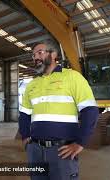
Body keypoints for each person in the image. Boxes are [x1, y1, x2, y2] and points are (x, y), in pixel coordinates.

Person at [19, 40, 99, 180]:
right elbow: (24, 114)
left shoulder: (72, 77)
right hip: (35, 151)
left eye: (40, 52)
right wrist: (26, 137)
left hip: (62, 151)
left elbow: (90, 110)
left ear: (54, 54)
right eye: (33, 55)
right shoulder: (32, 84)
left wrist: (80, 142)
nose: (35, 57)